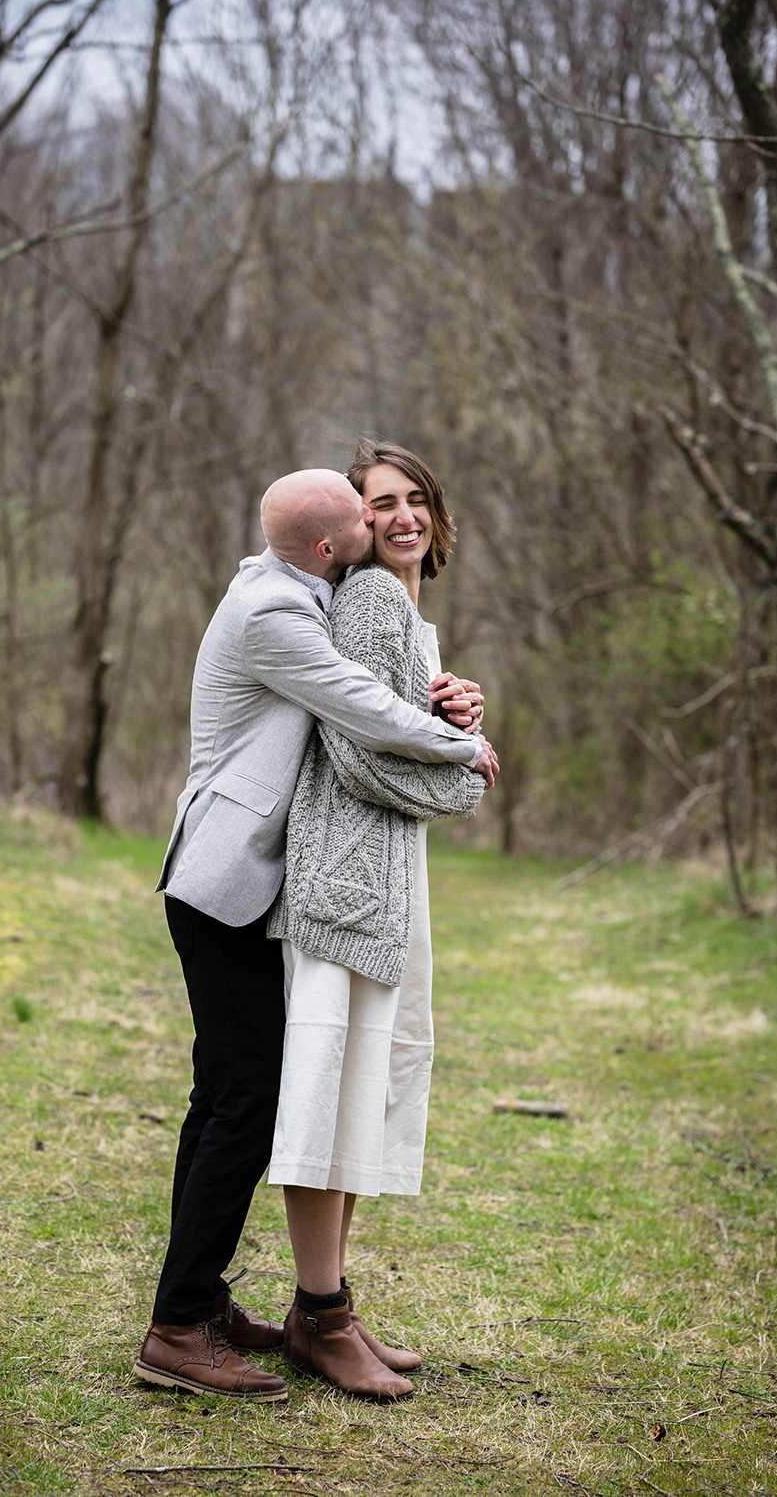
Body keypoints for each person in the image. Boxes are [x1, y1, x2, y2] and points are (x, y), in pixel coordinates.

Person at [134, 467, 496, 1402]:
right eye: (372, 512)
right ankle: (176, 1329)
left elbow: (383, 685)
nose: (396, 525)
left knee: (223, 1093)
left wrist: (435, 692)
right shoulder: (278, 614)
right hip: (225, 879)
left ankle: (198, 1302)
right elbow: (357, 708)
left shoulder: (302, 590)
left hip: (246, 878)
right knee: (246, 1097)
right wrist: (462, 748)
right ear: (335, 546)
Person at [267, 439, 498, 1401]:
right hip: (345, 883)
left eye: (414, 500)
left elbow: (406, 726)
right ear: (355, 525)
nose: (399, 516)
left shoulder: (408, 615)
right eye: (379, 504)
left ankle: (326, 1311)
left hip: (389, 882)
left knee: (364, 1094)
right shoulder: (365, 600)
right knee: (327, 1093)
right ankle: (322, 1318)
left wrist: (455, 717)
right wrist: (464, 767)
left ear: (436, 517)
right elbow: (358, 753)